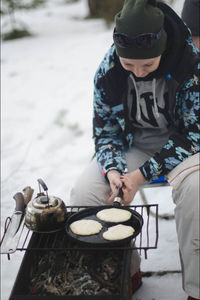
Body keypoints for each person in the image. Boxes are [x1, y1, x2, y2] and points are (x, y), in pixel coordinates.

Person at [70, 0, 200, 299]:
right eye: (129, 65)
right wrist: (115, 170)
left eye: (147, 65)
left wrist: (140, 176)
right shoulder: (108, 71)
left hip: (185, 148)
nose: (138, 73)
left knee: (197, 192)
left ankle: (196, 287)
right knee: (86, 193)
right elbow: (106, 133)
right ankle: (122, 275)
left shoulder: (191, 66)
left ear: (163, 49)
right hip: (135, 145)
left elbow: (193, 135)